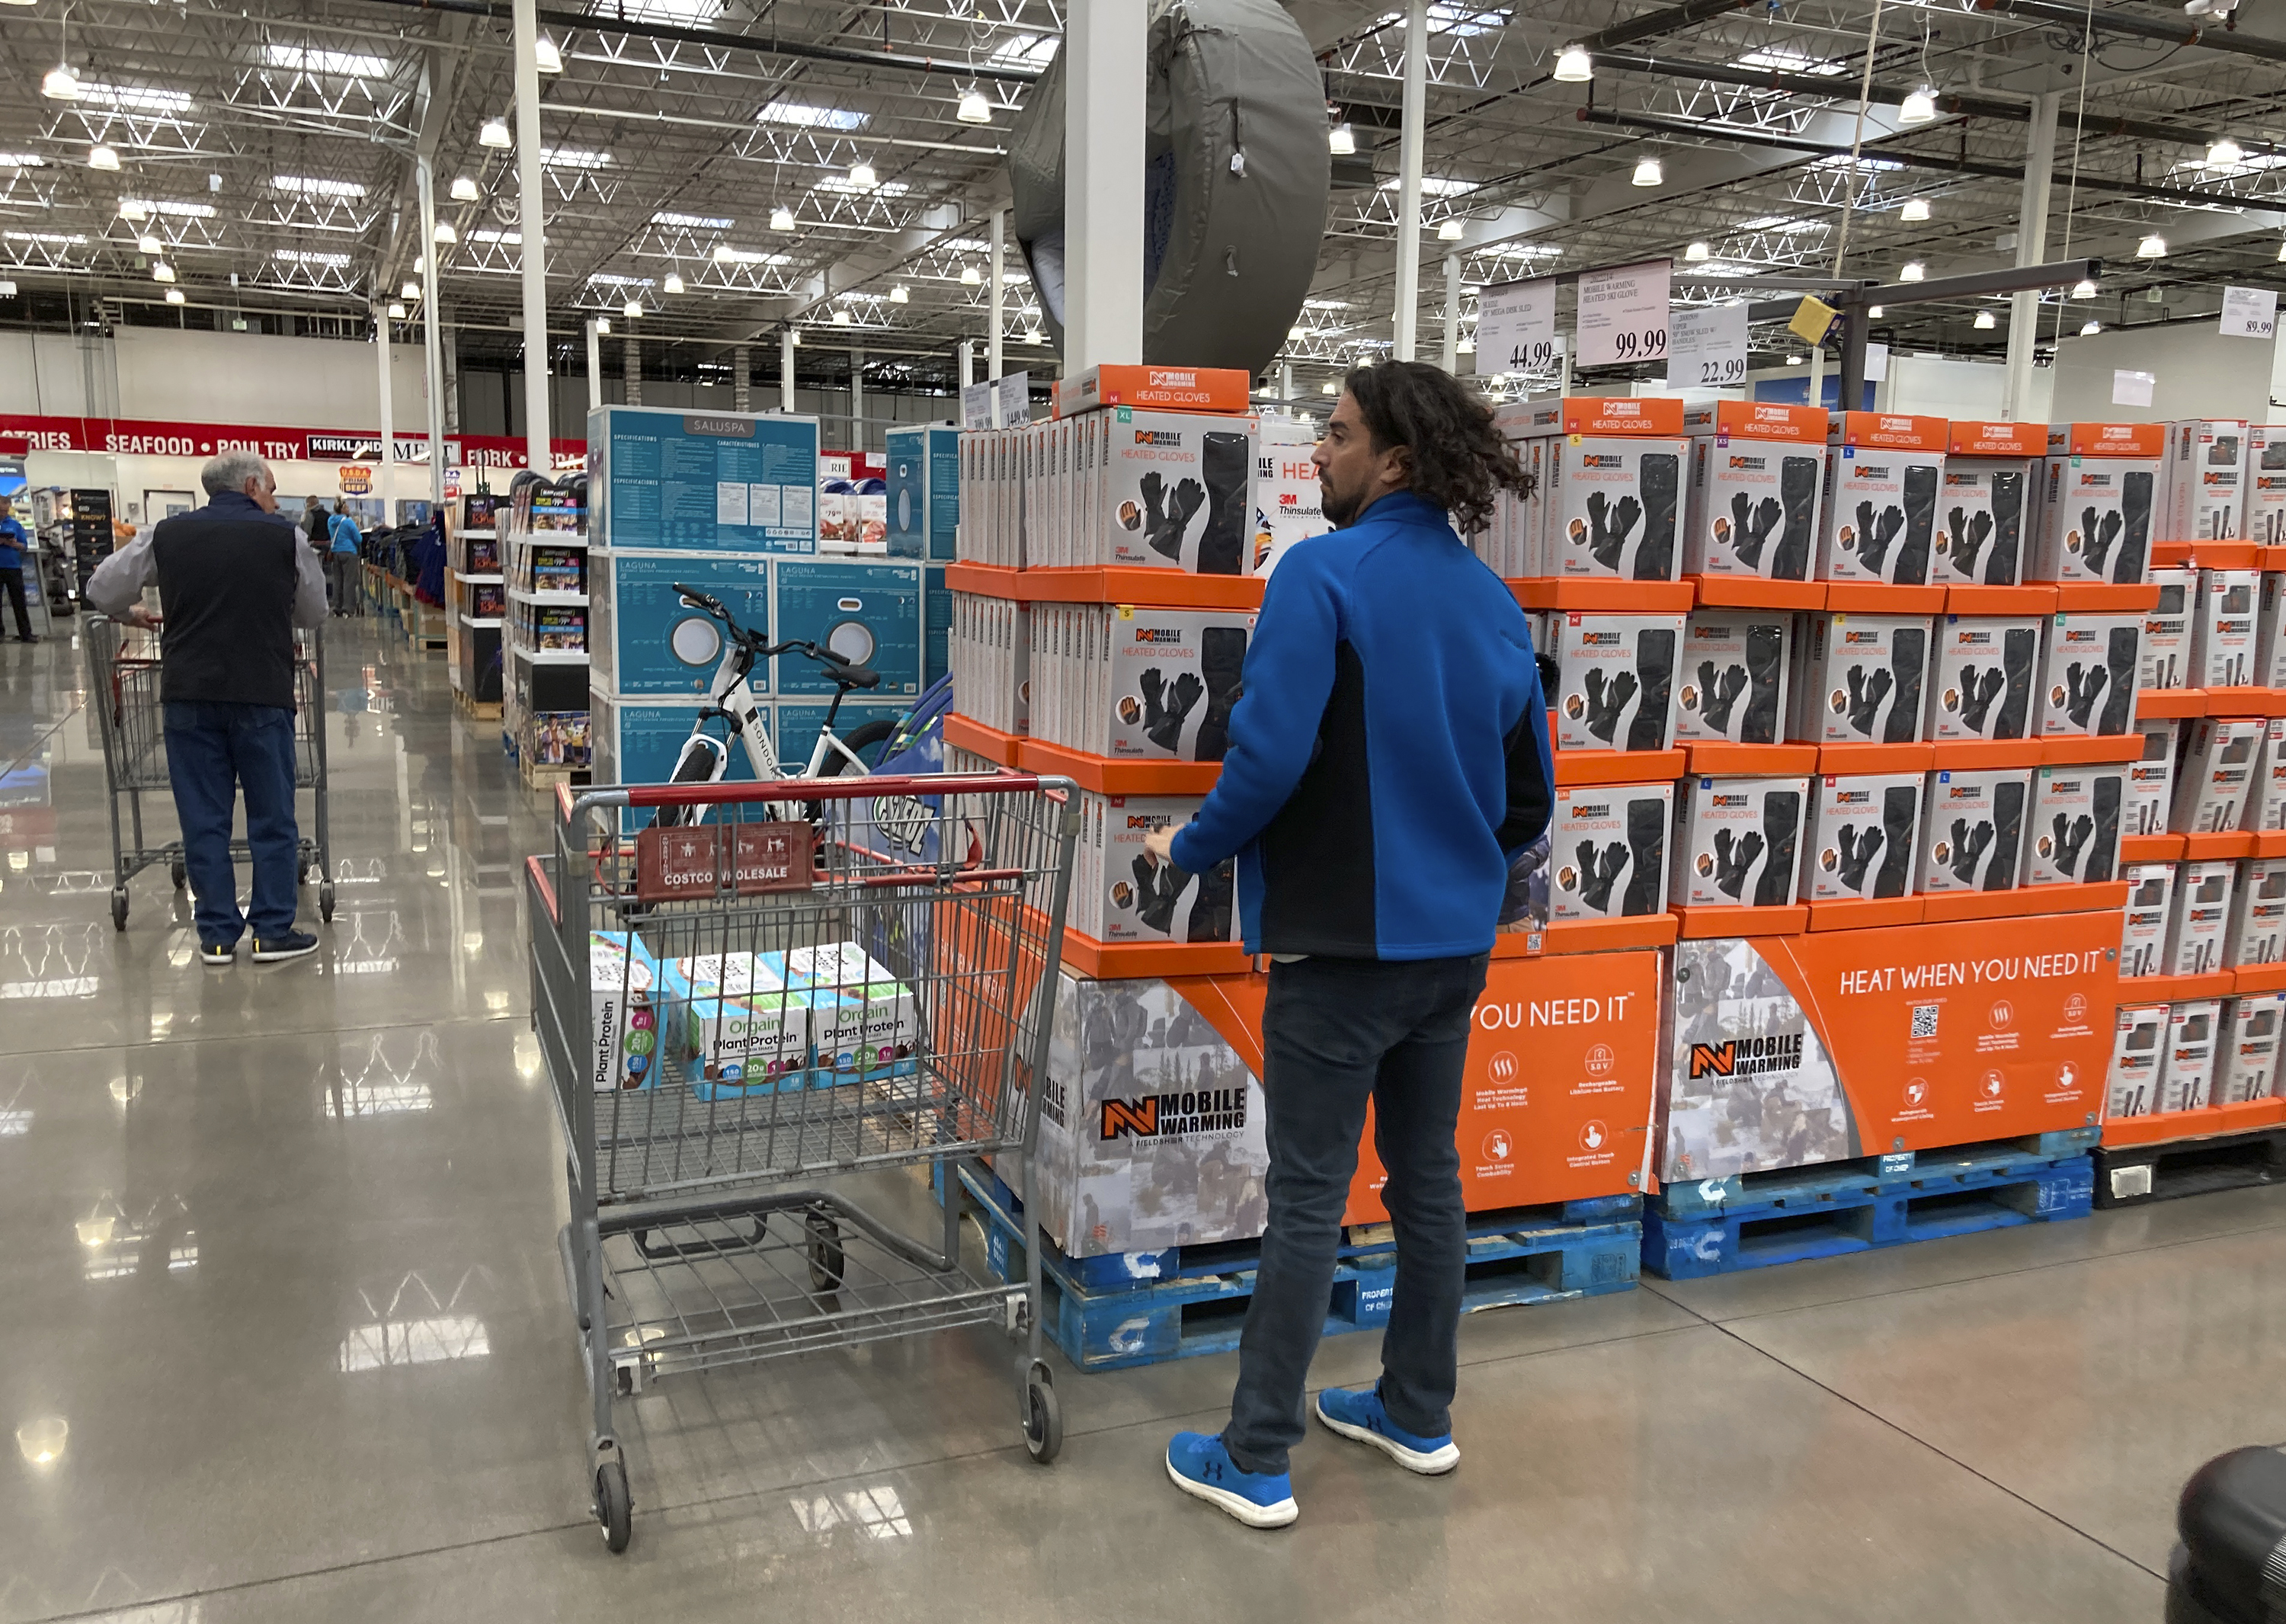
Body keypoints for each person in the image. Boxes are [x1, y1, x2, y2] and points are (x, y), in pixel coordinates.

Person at [1149, 360, 1551, 1530]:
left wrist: (1190, 846)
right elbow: (1531, 795)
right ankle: (1416, 1410)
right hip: (1453, 944)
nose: (1315, 454)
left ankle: (1256, 1452)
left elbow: (1267, 759)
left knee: (1311, 1196)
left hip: (1342, 949)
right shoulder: (1492, 602)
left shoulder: (1319, 574)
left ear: (1397, 461)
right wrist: (1450, 839)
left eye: (1334, 435)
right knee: (1428, 1179)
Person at [86, 450, 328, 965]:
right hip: (262, 692)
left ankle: (217, 934)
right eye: (271, 489)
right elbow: (315, 610)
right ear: (250, 486)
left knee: (203, 818)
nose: (275, 499)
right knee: (273, 816)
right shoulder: (286, 538)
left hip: (189, 695)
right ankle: (270, 932)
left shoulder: (164, 535)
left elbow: (101, 588)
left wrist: (132, 611)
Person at [0, 494, 37, 642]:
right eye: (0, 510)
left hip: (13, 567)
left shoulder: (15, 525)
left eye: (5, 510)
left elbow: (24, 546)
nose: (3, 513)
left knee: (19, 602)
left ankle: (25, 634)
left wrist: (12, 544)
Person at [325, 503, 363, 617]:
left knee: (338, 581)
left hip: (336, 553)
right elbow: (359, 539)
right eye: (347, 507)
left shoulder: (330, 521)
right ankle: (348, 608)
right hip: (349, 553)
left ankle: (337, 606)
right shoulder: (348, 522)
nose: (349, 509)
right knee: (349, 581)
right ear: (342, 509)